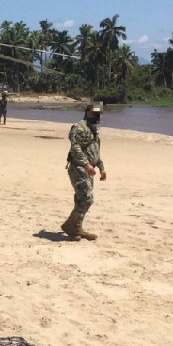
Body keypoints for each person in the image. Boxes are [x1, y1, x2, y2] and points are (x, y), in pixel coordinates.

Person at [62, 102, 106, 241]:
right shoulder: (79, 128)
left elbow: (94, 151)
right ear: (88, 112)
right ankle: (69, 225)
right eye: (95, 113)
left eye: (98, 114)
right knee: (87, 198)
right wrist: (86, 164)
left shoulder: (93, 129)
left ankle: (77, 227)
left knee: (81, 199)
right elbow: (75, 148)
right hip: (78, 168)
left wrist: (101, 167)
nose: (97, 116)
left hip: (89, 169)